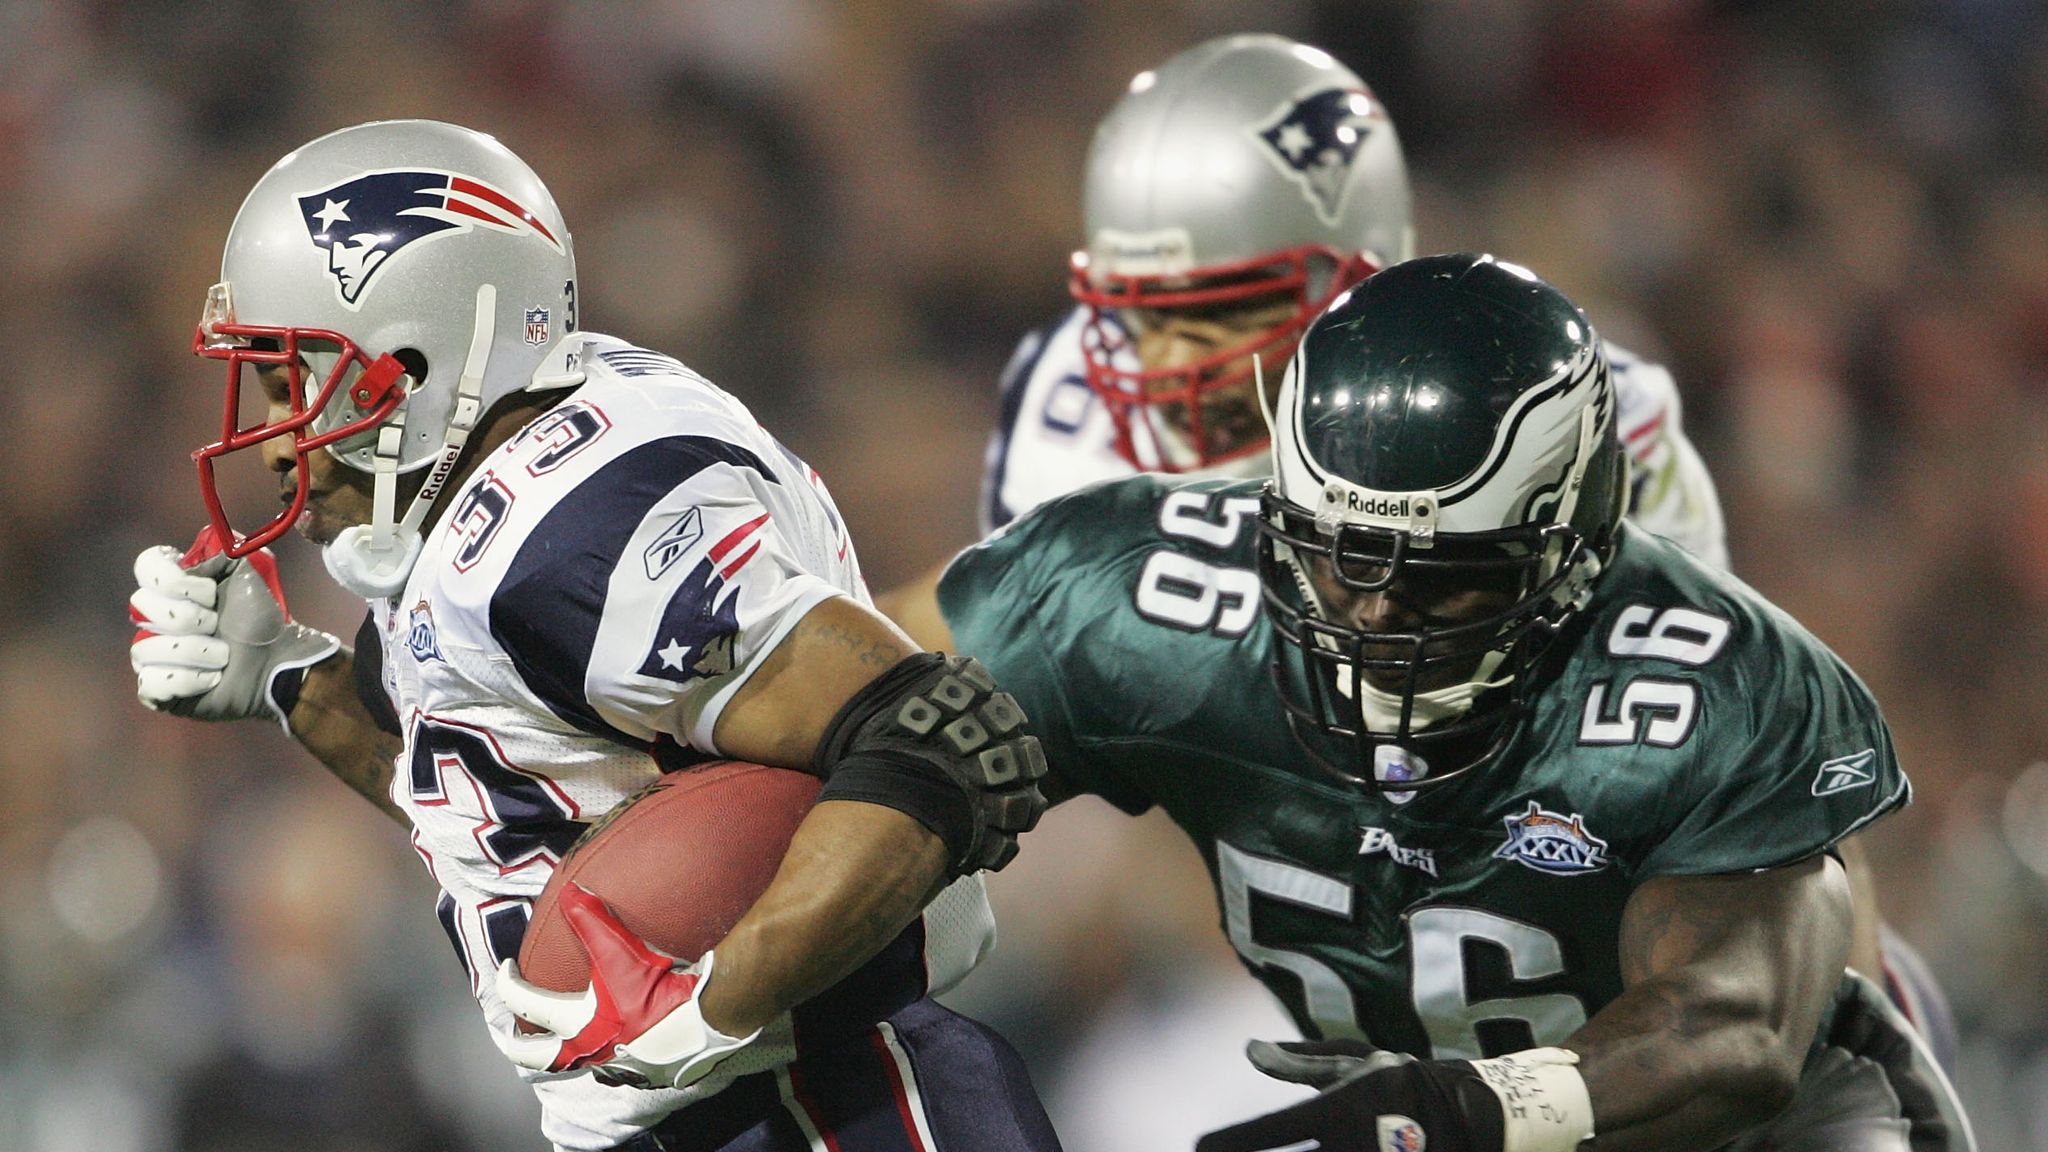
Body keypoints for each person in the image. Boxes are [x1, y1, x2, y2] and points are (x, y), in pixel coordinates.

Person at [878, 31, 1960, 1071]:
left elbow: (1730, 769)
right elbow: (1046, 683)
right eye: (1138, 313)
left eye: (1223, 312)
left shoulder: (1560, 415)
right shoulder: (1069, 412)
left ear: (1351, 280)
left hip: (1512, 866)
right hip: (1259, 885)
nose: (1166, 365)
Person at [129, 119, 1058, 1152]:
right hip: (701, 1113)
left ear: (411, 364)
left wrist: (710, 1009)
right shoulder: (476, 475)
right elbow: (499, 801)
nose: (273, 441)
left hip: (821, 1106)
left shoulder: (576, 540)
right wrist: (289, 679)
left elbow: (946, 736)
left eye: (288, 380)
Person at [931, 254, 1974, 1151]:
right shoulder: (1155, 603)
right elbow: (890, 728)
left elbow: (1735, 1032)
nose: (1380, 614)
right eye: (1343, 556)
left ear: (1575, 539)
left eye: (1446, 572)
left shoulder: (1703, 679)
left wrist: (1484, 1103)